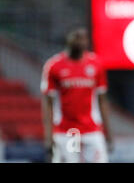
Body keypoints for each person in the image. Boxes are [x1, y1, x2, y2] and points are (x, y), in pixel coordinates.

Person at [41, 28, 113, 163]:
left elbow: (102, 100)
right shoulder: (54, 66)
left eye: (83, 38)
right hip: (66, 131)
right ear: (68, 39)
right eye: (76, 37)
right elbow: (48, 103)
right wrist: (48, 137)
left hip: (91, 129)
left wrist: (108, 133)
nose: (80, 41)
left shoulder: (96, 65)